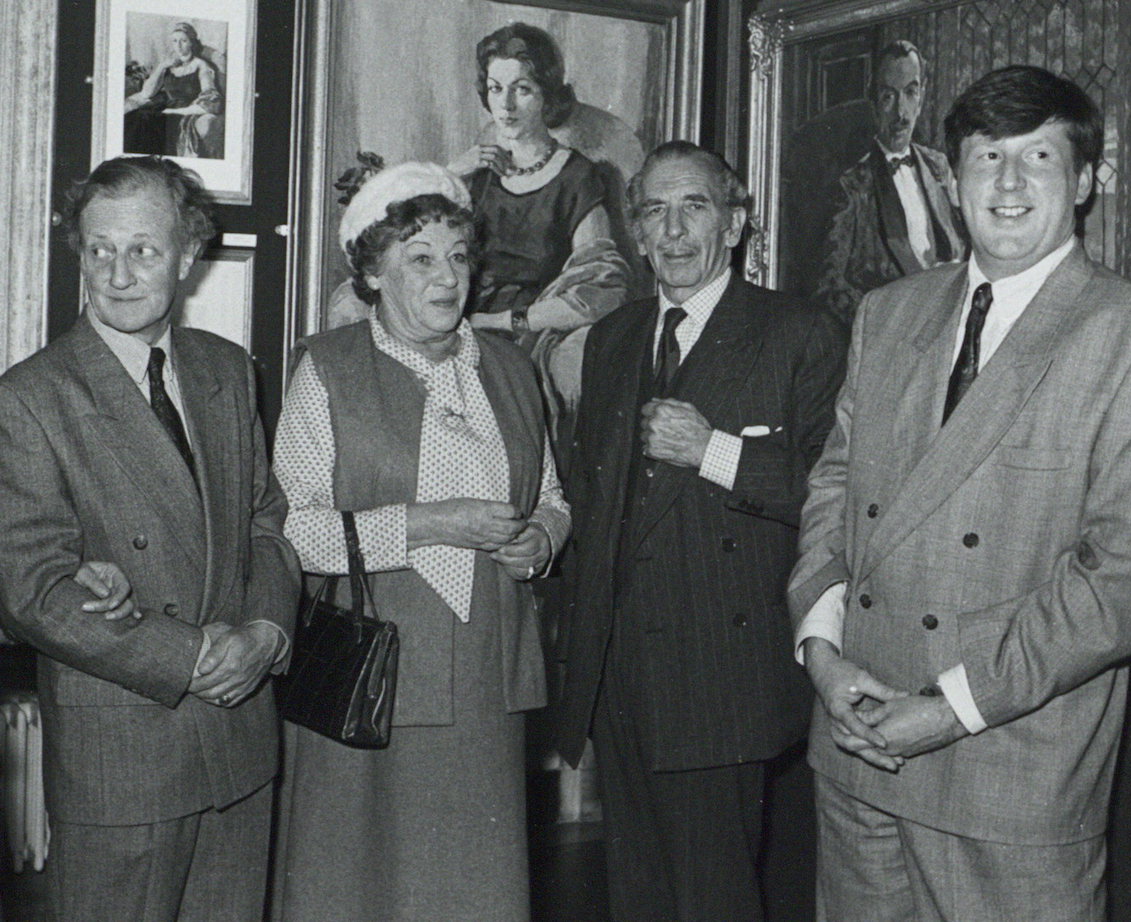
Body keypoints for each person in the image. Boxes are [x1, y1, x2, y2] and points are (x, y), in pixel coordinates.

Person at [789, 65, 1131, 922]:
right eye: (986, 157)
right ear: (953, 176)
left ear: (1084, 181)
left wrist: (951, 709)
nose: (1008, 184)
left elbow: (1129, 578)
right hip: (856, 746)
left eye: (1038, 157)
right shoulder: (887, 313)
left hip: (1008, 770)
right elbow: (833, 488)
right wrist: (823, 652)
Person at [0, 156, 299, 921]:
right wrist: (188, 657)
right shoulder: (31, 398)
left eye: (143, 249)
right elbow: (31, 589)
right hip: (123, 762)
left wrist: (266, 632)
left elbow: (266, 520)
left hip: (238, 743)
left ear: (188, 254)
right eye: (100, 249)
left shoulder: (227, 371)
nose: (118, 274)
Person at [554, 140, 847, 921]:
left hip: (719, 675)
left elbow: (841, 497)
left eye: (696, 207)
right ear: (636, 233)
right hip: (618, 671)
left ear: (736, 223)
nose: (675, 231)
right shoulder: (613, 338)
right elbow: (593, 497)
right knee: (637, 900)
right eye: (655, 211)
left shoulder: (798, 331)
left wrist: (713, 450)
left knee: (713, 899)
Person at [270, 162, 571, 922]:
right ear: (373, 273)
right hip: (368, 673)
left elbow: (552, 497)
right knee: (358, 888)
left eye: (459, 257)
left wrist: (540, 540)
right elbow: (292, 530)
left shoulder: (510, 369)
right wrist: (432, 523)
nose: (448, 277)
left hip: (486, 675)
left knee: (471, 889)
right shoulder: (327, 367)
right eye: (421, 258)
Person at [448, 22, 629, 458]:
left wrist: (498, 322)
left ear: (548, 94)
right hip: (463, 321)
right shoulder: (474, 173)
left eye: (522, 89)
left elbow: (602, 289)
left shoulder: (577, 177)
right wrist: (452, 174)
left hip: (535, 331)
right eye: (496, 89)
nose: (505, 105)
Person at [816, 40, 964, 322]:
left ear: (921, 98)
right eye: (888, 97)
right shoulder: (851, 187)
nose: (901, 113)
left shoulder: (939, 166)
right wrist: (887, 324)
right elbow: (829, 288)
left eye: (910, 93)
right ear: (873, 103)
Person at [125, 21, 224, 159]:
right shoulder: (168, 64)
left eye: (183, 41)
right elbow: (147, 93)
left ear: (192, 43)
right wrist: (162, 66)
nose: (178, 46)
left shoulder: (201, 65)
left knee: (151, 120)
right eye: (175, 41)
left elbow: (210, 100)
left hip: (184, 111)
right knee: (136, 117)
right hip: (165, 106)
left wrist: (173, 111)